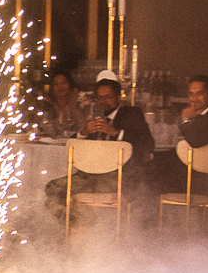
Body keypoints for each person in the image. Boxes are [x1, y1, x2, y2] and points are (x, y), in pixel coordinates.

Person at [45, 71, 153, 217]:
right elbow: (71, 144)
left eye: (108, 97)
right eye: (100, 98)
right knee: (53, 188)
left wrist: (116, 133)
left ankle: (83, 224)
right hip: (91, 176)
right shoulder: (94, 115)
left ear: (118, 97)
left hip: (120, 177)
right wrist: (84, 132)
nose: (103, 101)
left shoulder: (131, 114)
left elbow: (148, 144)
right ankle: (77, 225)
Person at [166, 73, 208, 197]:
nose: (193, 98)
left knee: (158, 168)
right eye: (191, 94)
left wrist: (185, 120)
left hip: (205, 180)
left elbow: (195, 141)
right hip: (202, 175)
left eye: (199, 93)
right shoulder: (205, 115)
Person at [43, 68, 86, 137]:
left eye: (64, 83)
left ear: (70, 85)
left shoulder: (81, 104)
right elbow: (49, 131)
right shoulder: (48, 106)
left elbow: (83, 128)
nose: (60, 87)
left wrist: (73, 105)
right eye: (56, 84)